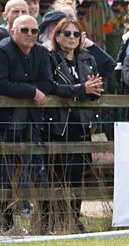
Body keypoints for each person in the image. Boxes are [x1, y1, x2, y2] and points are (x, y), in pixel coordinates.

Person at [44, 17, 104, 232]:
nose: (71, 38)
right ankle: (54, 221)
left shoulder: (87, 58)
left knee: (77, 174)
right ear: (57, 36)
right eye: (67, 34)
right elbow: (51, 87)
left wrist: (94, 92)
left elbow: (96, 86)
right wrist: (81, 89)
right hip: (59, 123)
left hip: (82, 122)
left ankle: (74, 219)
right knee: (57, 174)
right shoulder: (49, 58)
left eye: (76, 34)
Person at [0, 15, 54, 231]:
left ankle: (12, 222)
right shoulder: (3, 50)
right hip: (4, 123)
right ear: (12, 31)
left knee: (24, 174)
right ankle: (6, 223)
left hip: (30, 124)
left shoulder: (41, 52)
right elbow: (1, 83)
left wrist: (26, 88)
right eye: (24, 30)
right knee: (4, 173)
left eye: (34, 31)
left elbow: (48, 82)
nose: (30, 35)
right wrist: (31, 90)